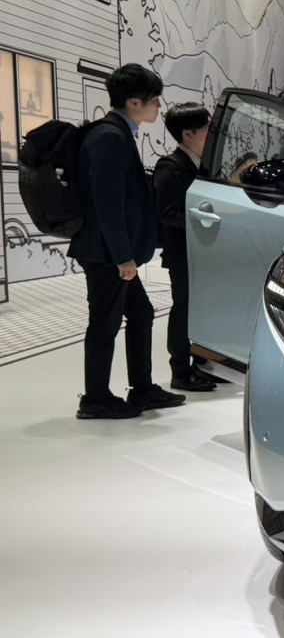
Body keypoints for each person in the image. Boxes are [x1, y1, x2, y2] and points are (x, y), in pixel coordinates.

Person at [68, 64, 186, 418]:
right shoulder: (110, 137)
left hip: (110, 251)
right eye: (154, 100)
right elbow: (108, 205)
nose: (159, 107)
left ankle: (142, 389)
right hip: (106, 254)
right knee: (105, 324)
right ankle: (95, 399)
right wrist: (123, 257)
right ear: (134, 102)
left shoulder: (115, 134)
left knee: (141, 313)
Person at [155, 103, 221, 393]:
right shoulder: (170, 166)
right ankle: (180, 371)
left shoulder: (200, 165)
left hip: (201, 252)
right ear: (188, 133)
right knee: (184, 309)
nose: (212, 133)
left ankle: (201, 364)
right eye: (208, 128)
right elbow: (167, 212)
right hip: (183, 253)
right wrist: (206, 221)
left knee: (202, 309)